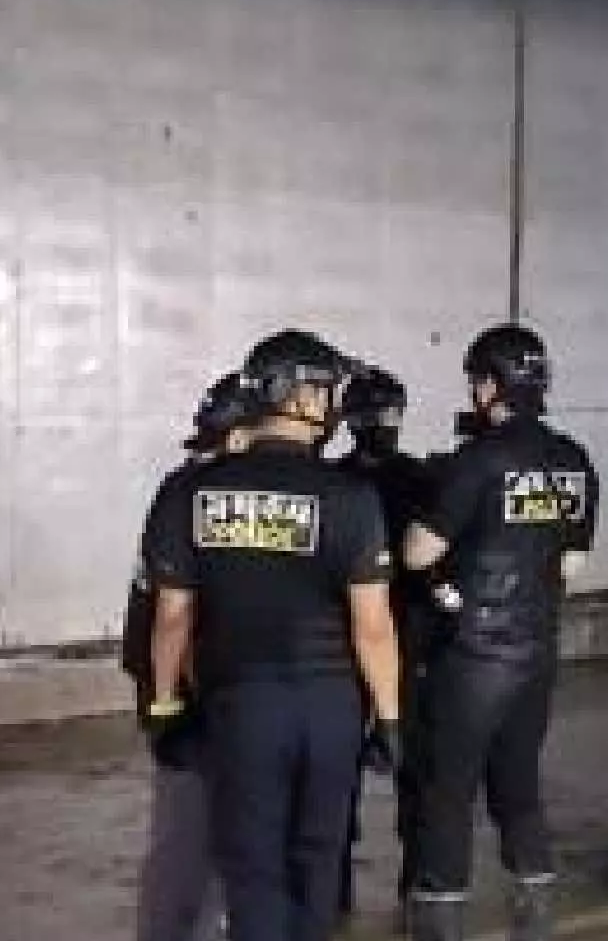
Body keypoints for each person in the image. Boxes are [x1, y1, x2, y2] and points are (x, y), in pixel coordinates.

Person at [142, 330, 404, 941]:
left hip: (242, 707)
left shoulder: (191, 492)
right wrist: (390, 718)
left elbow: (172, 617)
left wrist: (164, 704)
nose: (334, 403)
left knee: (254, 867)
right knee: (317, 863)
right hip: (332, 710)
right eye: (326, 389)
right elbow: (372, 626)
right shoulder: (351, 496)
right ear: (297, 396)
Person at [403, 324, 601, 941]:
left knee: (449, 789)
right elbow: (572, 564)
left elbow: (419, 552)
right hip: (537, 647)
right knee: (519, 785)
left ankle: (441, 918)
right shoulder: (574, 461)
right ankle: (535, 910)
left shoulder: (478, 459)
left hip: (472, 651)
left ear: (490, 386)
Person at [126, 372, 262, 941]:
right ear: (238, 437)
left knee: (193, 833)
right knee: (192, 837)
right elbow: (175, 616)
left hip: (175, 683)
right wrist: (169, 701)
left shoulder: (181, 488)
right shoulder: (208, 501)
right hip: (191, 689)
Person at [333, 367, 439, 915]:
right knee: (350, 768)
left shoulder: (411, 479)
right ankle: (349, 887)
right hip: (370, 636)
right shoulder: (346, 482)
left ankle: (407, 883)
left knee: (406, 767)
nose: (384, 423)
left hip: (395, 636)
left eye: (390, 412)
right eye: (377, 413)